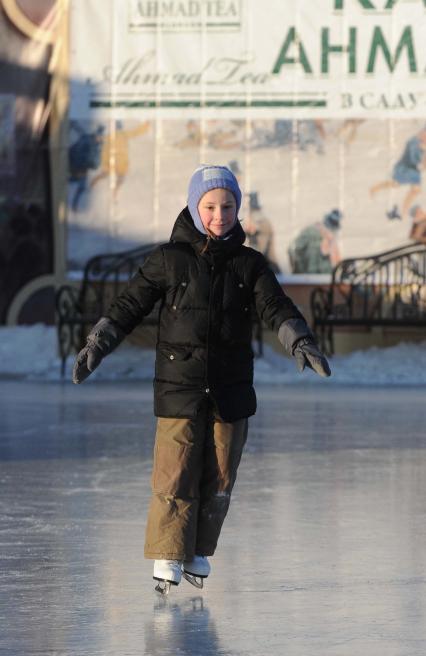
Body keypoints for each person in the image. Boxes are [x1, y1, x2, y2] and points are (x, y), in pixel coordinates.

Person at [72, 165, 331, 595]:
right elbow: (129, 304)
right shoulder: (169, 260)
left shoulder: (249, 265)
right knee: (174, 473)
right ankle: (168, 552)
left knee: (221, 474)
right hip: (180, 385)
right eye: (210, 206)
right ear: (195, 207)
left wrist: (299, 340)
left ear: (237, 208)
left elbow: (275, 306)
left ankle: (197, 550)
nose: (219, 215)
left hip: (230, 387)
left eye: (227, 206)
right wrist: (98, 342)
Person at [370, 128, 426, 220]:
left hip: (412, 169)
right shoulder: (413, 142)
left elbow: (423, 164)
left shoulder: (420, 143)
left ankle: (403, 210)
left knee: (401, 186)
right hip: (406, 168)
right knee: (405, 187)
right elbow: (414, 159)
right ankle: (404, 210)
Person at [288, 209, 343, 275]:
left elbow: (336, 260)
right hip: (309, 277)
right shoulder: (311, 233)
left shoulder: (329, 239)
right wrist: (299, 271)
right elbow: (292, 249)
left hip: (322, 278)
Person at [244, 192, 281, 273]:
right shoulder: (253, 221)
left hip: (267, 266)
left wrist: (253, 235)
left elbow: (259, 251)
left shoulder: (261, 222)